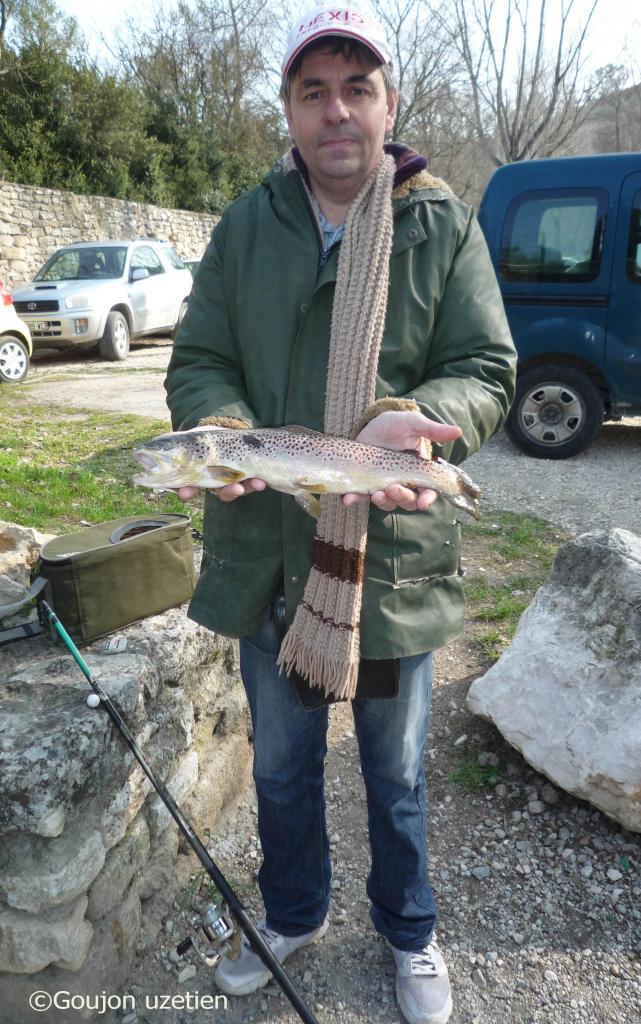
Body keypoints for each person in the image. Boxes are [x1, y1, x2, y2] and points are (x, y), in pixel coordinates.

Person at [164, 6, 516, 1022]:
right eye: (313, 91)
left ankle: (408, 935)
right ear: (287, 110)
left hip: (389, 557)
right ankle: (292, 912)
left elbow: (483, 366)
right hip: (267, 554)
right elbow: (199, 359)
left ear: (387, 104)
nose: (336, 111)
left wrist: (425, 420)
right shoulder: (246, 224)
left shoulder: (440, 224)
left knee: (396, 777)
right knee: (278, 770)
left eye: (355, 88)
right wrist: (219, 431)